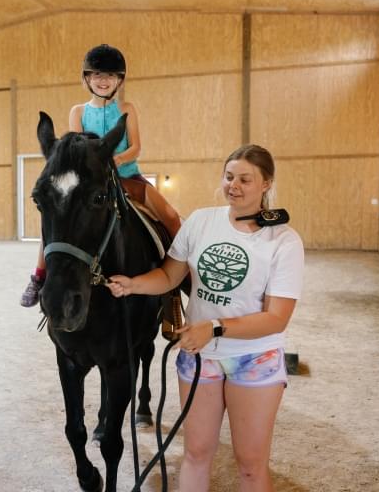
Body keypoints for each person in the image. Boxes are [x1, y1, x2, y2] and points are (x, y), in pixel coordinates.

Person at [106, 144, 304, 491]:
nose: (234, 186)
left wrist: (214, 328)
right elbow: (169, 276)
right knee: (196, 453)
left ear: (266, 184)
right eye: (229, 177)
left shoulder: (283, 240)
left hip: (254, 357)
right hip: (200, 358)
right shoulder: (201, 221)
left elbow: (276, 319)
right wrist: (133, 284)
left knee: (250, 464)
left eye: (245, 179)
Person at [20, 44, 182, 307]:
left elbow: (136, 147)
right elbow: (76, 148)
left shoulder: (127, 108)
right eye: (97, 75)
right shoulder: (78, 112)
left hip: (130, 179)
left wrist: (115, 159)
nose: (103, 81)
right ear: (87, 79)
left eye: (109, 76)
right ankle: (39, 276)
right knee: (58, 222)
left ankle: (178, 279)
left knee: (172, 218)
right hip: (92, 182)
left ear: (119, 80)